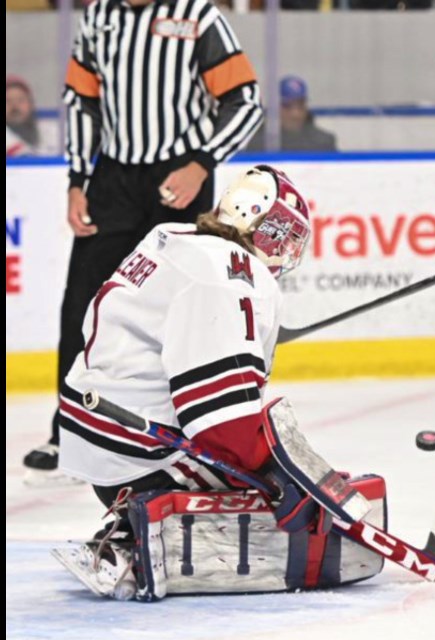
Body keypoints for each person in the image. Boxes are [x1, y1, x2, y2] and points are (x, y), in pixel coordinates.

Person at [54, 166, 386, 601]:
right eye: (287, 239)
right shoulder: (230, 275)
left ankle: (130, 519)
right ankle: (133, 532)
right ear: (270, 231)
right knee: (276, 493)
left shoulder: (175, 237)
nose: (286, 254)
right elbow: (220, 426)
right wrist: (282, 474)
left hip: (96, 429)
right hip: (142, 457)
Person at [23, 0, 264, 484]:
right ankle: (70, 431)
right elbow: (80, 100)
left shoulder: (198, 16)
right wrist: (77, 178)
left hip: (180, 177)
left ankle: (176, 433)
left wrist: (202, 163)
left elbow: (246, 100)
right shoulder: (98, 17)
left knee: (179, 313)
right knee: (84, 309)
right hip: (112, 181)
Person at [247, 75, 338, 152]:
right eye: (287, 106)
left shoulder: (323, 142)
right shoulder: (259, 144)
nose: (295, 114)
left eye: (300, 105)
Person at [6, 75, 58, 157]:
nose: (14, 106)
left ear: (31, 104)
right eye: (8, 101)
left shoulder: (49, 132)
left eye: (20, 100)